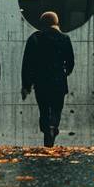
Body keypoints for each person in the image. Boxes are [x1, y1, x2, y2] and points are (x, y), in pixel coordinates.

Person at [21, 10, 75, 146]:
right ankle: (53, 127)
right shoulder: (64, 38)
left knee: (44, 109)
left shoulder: (35, 38)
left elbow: (27, 64)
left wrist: (26, 85)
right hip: (58, 81)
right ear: (56, 23)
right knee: (57, 108)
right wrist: (65, 72)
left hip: (41, 81)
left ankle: (46, 131)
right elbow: (70, 62)